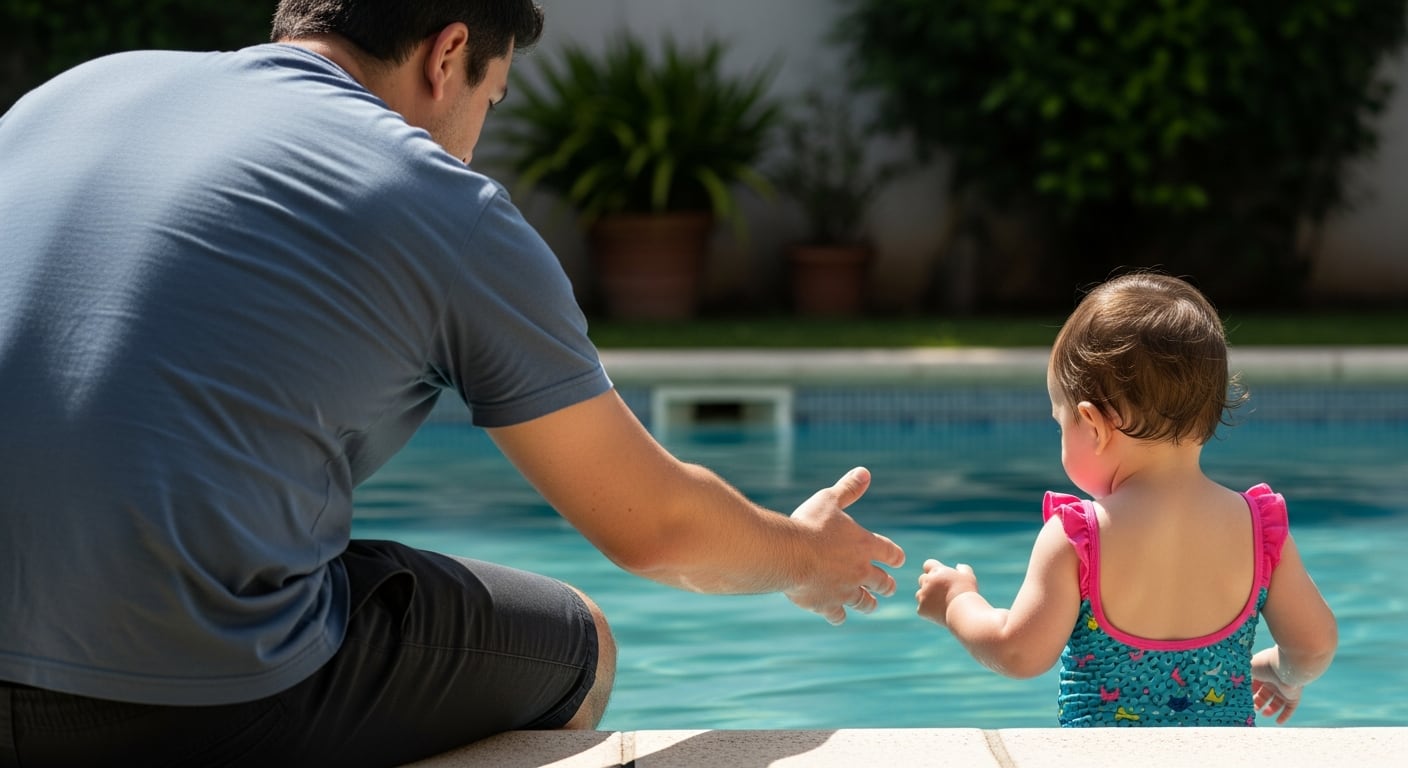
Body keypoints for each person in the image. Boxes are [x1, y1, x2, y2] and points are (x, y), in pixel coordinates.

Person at [0, 1, 906, 764]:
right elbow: (657, 530)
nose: (476, 139)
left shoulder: (68, 96)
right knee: (575, 639)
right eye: (493, 98)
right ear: (448, 55)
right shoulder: (434, 199)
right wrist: (805, 553)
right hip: (182, 705)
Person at [914, 272, 1338, 727]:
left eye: (1060, 426)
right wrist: (1279, 671)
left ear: (1093, 426)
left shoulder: (1079, 538)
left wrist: (957, 602)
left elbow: (1018, 653)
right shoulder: (1259, 531)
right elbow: (1314, 646)